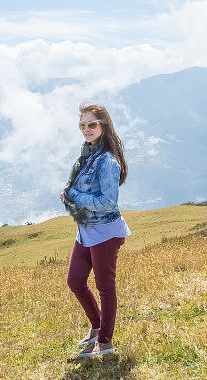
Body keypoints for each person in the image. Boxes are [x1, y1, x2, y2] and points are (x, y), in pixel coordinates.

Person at [60, 103, 131, 359]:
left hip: (105, 232)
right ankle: (97, 325)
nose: (86, 130)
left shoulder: (107, 161)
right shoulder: (88, 155)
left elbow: (108, 202)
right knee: (75, 281)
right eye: (82, 125)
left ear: (103, 126)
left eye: (92, 124)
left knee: (105, 287)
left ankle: (106, 342)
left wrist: (75, 196)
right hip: (87, 230)